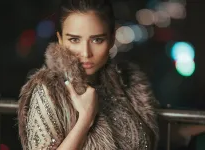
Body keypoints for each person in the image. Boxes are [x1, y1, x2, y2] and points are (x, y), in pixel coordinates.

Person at [17, 0, 160, 149]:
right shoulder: (49, 90)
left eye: (97, 40)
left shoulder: (129, 87)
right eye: (74, 39)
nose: (86, 53)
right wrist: (85, 120)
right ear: (60, 40)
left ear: (111, 39)